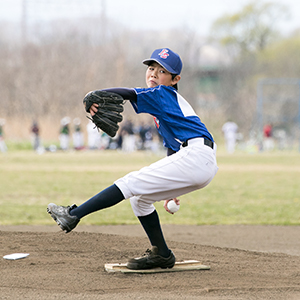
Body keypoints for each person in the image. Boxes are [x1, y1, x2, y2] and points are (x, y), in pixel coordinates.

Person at [47, 48, 218, 270]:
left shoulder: (163, 94)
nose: (154, 74)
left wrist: (96, 94)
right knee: (140, 200)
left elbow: (129, 93)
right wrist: (171, 192)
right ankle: (162, 254)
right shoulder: (166, 106)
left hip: (196, 156)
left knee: (130, 182)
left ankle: (72, 215)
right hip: (196, 159)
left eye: (162, 71)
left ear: (175, 79)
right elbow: (173, 149)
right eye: (151, 68)